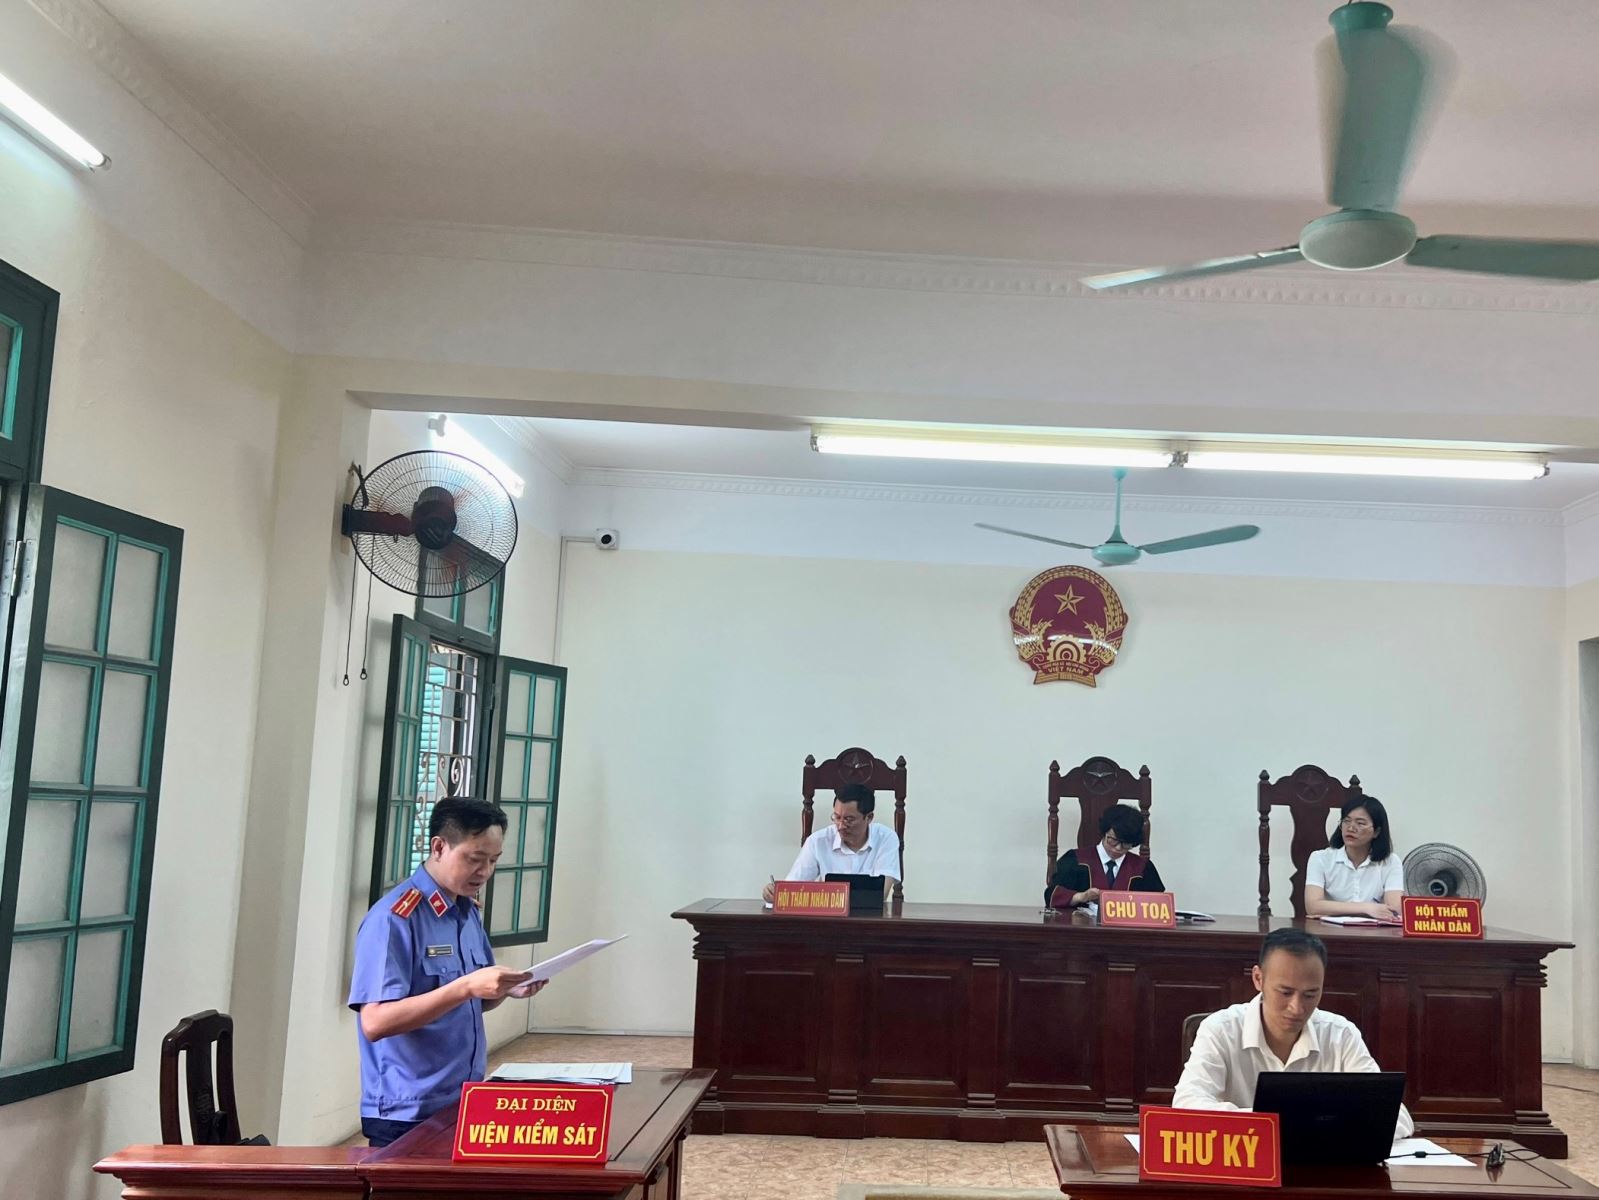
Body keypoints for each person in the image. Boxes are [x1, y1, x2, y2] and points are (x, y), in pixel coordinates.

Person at [349, 796, 548, 1147]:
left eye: (494, 860)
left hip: (462, 1097)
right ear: (439, 847)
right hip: (407, 1110)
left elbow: (471, 1002)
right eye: (474, 858)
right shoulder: (394, 919)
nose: (485, 872)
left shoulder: (466, 913)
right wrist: (465, 987)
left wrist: (504, 990)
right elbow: (375, 1022)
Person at [1174, 928, 1413, 1139]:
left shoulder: (1341, 1035)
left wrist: (1315, 1124)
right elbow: (1187, 1106)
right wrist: (1274, 1121)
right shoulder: (1220, 1029)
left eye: (1310, 995)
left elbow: (1396, 1116)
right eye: (1285, 992)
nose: (1297, 1008)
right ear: (1258, 978)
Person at [762, 782, 900, 902]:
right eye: (837, 817)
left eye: (849, 820)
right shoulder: (817, 841)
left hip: (870, 919)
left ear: (869, 817)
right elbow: (792, 889)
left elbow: (880, 894)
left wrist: (828, 895)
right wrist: (774, 893)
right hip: (826, 919)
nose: (841, 826)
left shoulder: (886, 839)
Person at [1045, 802, 1164, 908]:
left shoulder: (1143, 868)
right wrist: (1081, 896)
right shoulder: (1075, 860)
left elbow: (1159, 905)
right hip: (1081, 925)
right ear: (1104, 832)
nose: (1118, 848)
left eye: (1126, 844)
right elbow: (1051, 896)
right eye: (1113, 840)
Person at [1305, 795, 1404, 921]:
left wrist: (1330, 909)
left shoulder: (1390, 862)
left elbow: (1393, 910)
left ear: (1376, 832)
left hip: (1374, 931)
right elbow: (1313, 906)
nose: (1351, 828)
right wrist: (1368, 908)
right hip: (1330, 929)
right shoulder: (1320, 858)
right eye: (1346, 821)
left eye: (1360, 823)